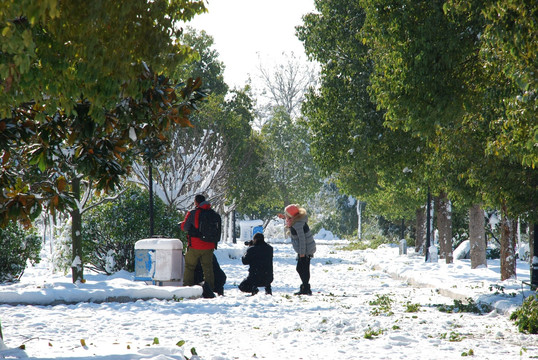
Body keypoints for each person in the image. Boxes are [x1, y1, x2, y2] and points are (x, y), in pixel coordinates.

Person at [181, 194, 217, 298]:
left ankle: (187, 288)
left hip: (195, 245)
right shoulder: (212, 213)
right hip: (209, 246)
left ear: (196, 202)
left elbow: (185, 227)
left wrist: (181, 225)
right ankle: (210, 289)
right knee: (208, 268)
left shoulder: (193, 213)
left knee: (190, 266)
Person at [279, 204, 316, 295]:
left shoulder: (298, 225)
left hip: (305, 249)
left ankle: (305, 288)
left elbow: (302, 239)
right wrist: (284, 217)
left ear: (291, 215)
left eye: (286, 214)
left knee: (301, 268)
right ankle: (305, 287)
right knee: (303, 268)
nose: (285, 215)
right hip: (305, 248)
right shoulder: (296, 220)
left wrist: (302, 253)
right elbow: (290, 221)